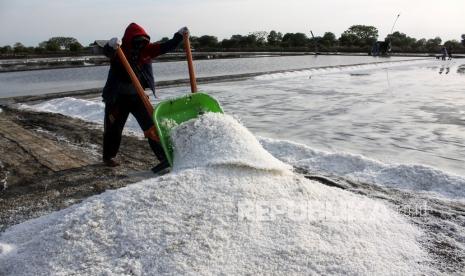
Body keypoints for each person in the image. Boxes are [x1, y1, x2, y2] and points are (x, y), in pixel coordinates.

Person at [101, 22, 188, 170]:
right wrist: (111, 45)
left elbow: (166, 46)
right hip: (117, 98)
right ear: (129, 40)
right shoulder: (119, 50)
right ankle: (108, 157)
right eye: (137, 41)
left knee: (152, 127)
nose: (140, 45)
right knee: (113, 129)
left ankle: (164, 157)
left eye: (143, 41)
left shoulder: (148, 49)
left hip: (138, 97)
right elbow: (107, 52)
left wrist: (179, 36)